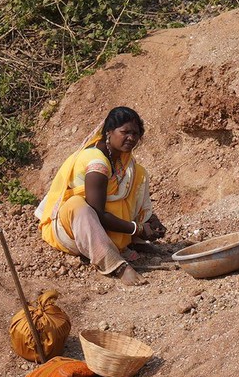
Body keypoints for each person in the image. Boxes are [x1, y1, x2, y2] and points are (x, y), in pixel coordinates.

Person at [35, 106, 166, 285]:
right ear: (109, 132)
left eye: (136, 134)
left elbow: (123, 199)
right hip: (73, 229)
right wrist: (138, 228)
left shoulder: (123, 160)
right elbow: (97, 214)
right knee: (80, 206)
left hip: (101, 224)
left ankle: (133, 242)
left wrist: (150, 220)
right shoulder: (97, 161)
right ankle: (115, 264)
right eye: (125, 132)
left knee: (138, 174)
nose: (131, 138)